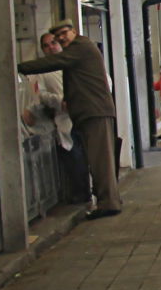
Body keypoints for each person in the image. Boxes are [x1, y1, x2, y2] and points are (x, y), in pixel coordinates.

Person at [16, 20, 121, 219]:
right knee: (99, 159)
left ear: (74, 31)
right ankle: (109, 199)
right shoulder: (79, 49)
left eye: (64, 34)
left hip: (94, 112)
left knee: (101, 160)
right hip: (89, 113)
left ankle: (109, 204)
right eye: (58, 37)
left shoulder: (80, 47)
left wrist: (20, 66)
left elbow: (53, 61)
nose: (61, 38)